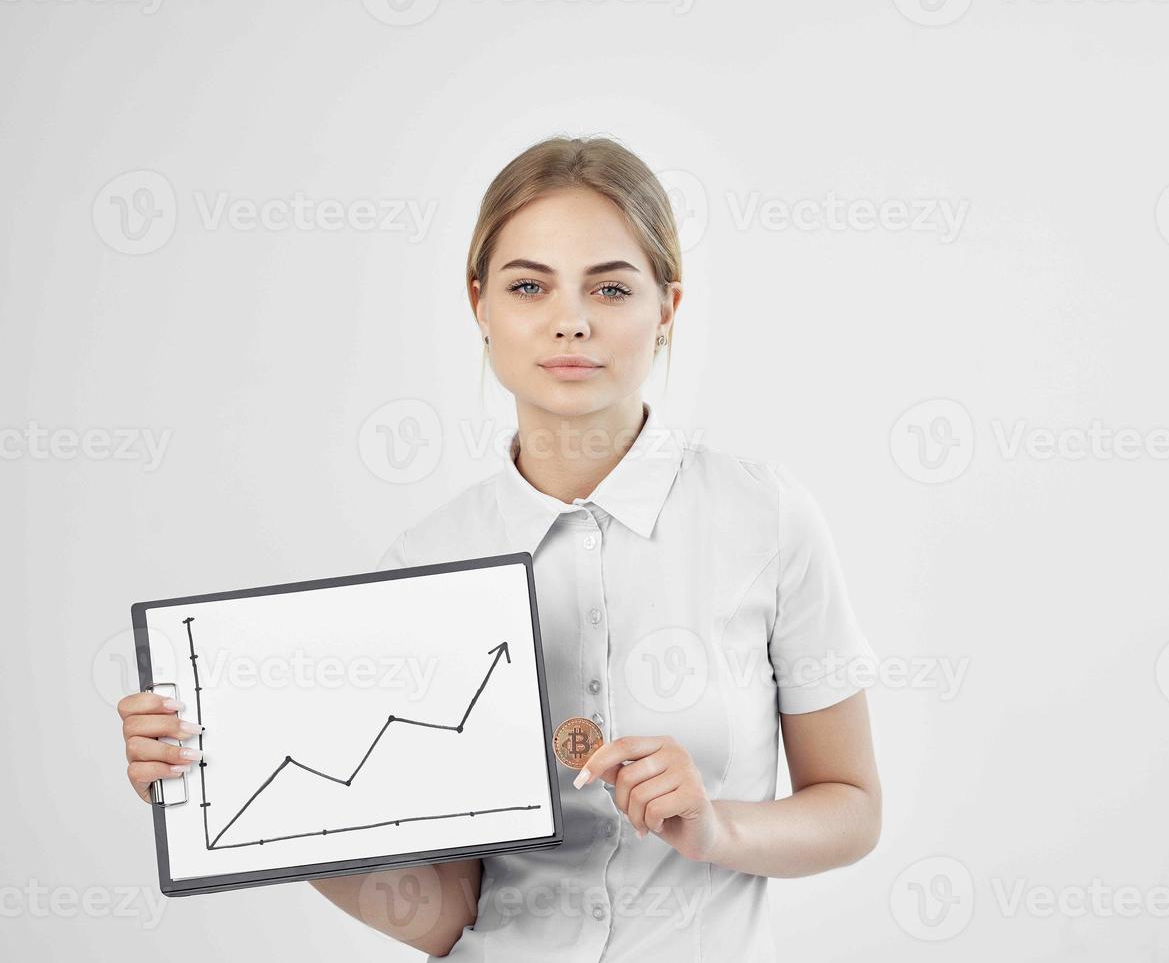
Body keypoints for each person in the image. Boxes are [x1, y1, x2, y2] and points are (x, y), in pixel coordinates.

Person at [116, 135, 882, 961]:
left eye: (611, 287)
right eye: (529, 286)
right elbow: (448, 911)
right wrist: (260, 811)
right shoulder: (427, 563)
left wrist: (717, 827)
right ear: (480, 306)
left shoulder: (762, 517)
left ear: (667, 308)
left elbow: (852, 806)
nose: (571, 320)